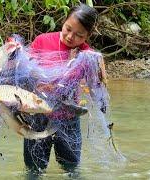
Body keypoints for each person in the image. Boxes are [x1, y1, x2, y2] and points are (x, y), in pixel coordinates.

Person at [21, 3, 104, 173]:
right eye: (68, 29)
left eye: (79, 35)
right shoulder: (43, 40)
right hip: (38, 116)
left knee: (71, 169)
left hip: (68, 119)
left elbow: (95, 87)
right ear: (65, 20)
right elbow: (23, 72)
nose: (70, 37)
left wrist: (101, 87)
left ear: (88, 35)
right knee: (33, 170)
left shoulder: (87, 56)